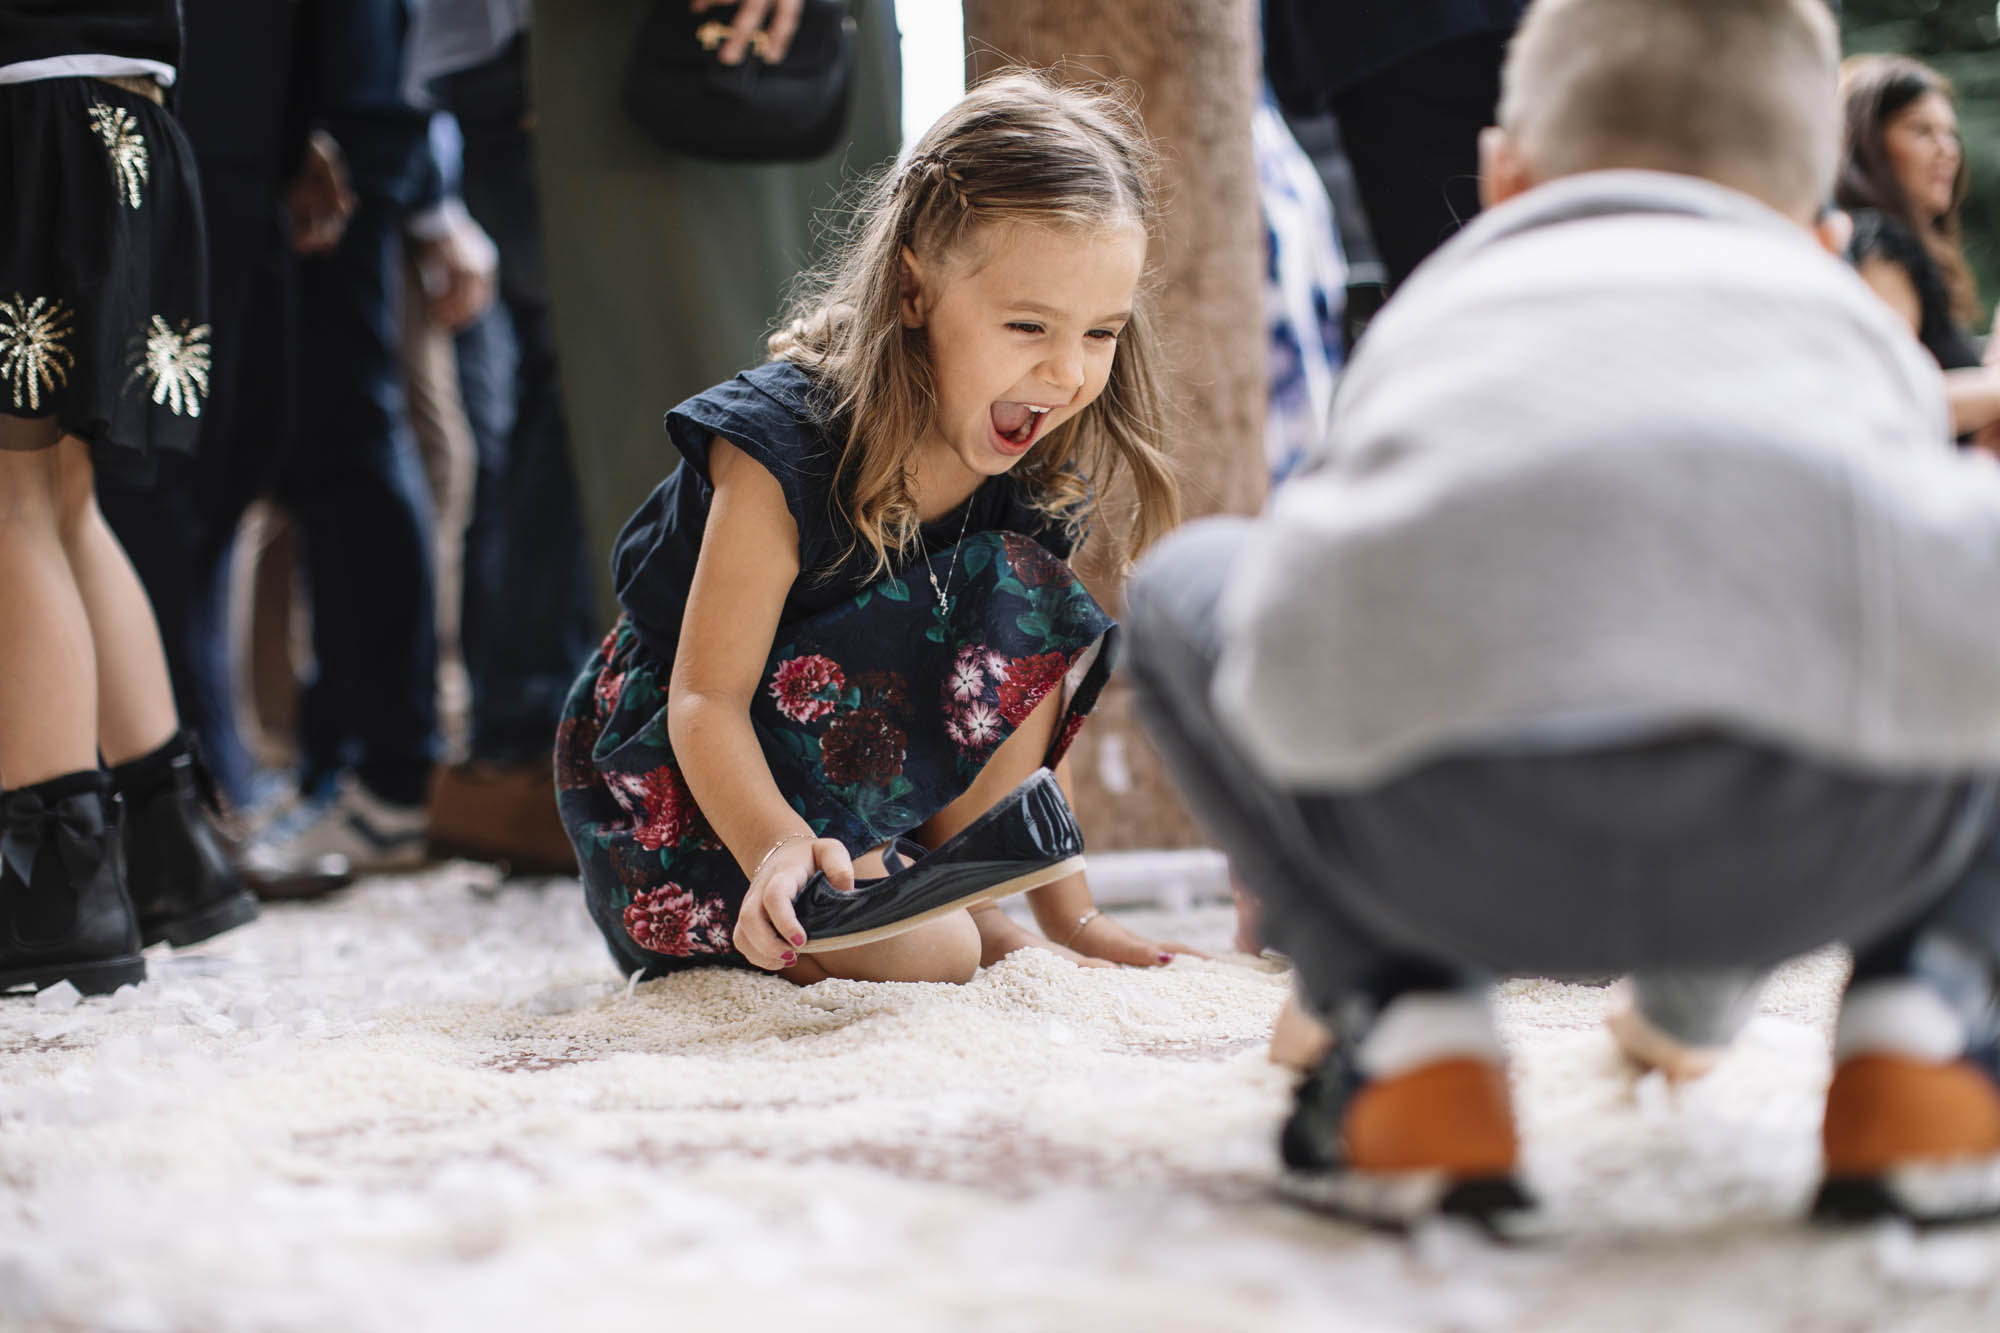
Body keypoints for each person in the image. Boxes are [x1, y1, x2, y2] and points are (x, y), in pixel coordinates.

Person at [1127, 0, 2000, 1232]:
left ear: (1500, 175)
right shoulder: (1842, 321)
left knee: (1184, 583)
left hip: (1448, 851)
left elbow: (1298, 654)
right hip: (1814, 849)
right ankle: (1922, 1039)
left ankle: (1408, 1035)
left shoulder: (1437, 319)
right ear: (1816, 230)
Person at [555, 73, 1199, 986]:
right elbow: (703, 701)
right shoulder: (786, 447)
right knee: (936, 952)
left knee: (1019, 587)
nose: (1065, 371)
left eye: (1101, 333)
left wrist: (1074, 916)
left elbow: (1001, 708)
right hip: (691, 793)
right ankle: (893, 901)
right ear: (912, 290)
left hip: (843, 797)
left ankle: (972, 894)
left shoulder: (1026, 475)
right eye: (1027, 324)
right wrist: (779, 845)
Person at [0, 0, 257, 994]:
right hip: (122, 110)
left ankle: (54, 891)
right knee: (60, 497)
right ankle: (162, 852)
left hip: (27, 106)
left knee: (15, 498)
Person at [1837, 53, 2000, 442]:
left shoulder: (1913, 250)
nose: (1947, 150)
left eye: (1950, 134)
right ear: (1868, 145)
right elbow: (1886, 403)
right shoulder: (1881, 245)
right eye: (1922, 131)